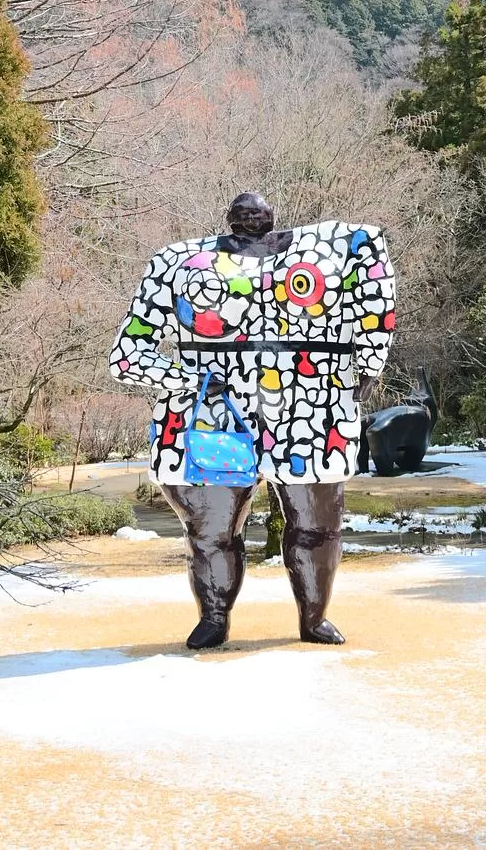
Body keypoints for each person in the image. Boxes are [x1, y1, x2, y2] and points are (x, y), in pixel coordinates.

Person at [109, 192, 396, 649]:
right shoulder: (177, 263)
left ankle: (314, 617)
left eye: (259, 214)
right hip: (214, 418)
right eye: (242, 215)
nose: (252, 219)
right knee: (210, 530)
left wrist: (369, 361)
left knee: (319, 524)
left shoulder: (345, 248)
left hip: (312, 408)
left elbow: (375, 282)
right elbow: (127, 355)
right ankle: (214, 617)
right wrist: (188, 381)